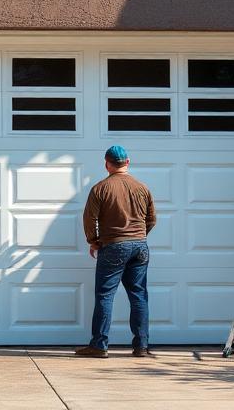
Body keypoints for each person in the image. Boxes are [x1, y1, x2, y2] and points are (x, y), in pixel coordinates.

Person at [75, 145, 157, 359]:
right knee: (139, 295)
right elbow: (152, 219)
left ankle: (99, 345)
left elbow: (89, 219)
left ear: (107, 164)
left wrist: (94, 241)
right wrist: (139, 236)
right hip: (140, 246)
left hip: (113, 246)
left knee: (105, 295)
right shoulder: (142, 187)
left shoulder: (100, 188)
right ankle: (141, 346)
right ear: (127, 162)